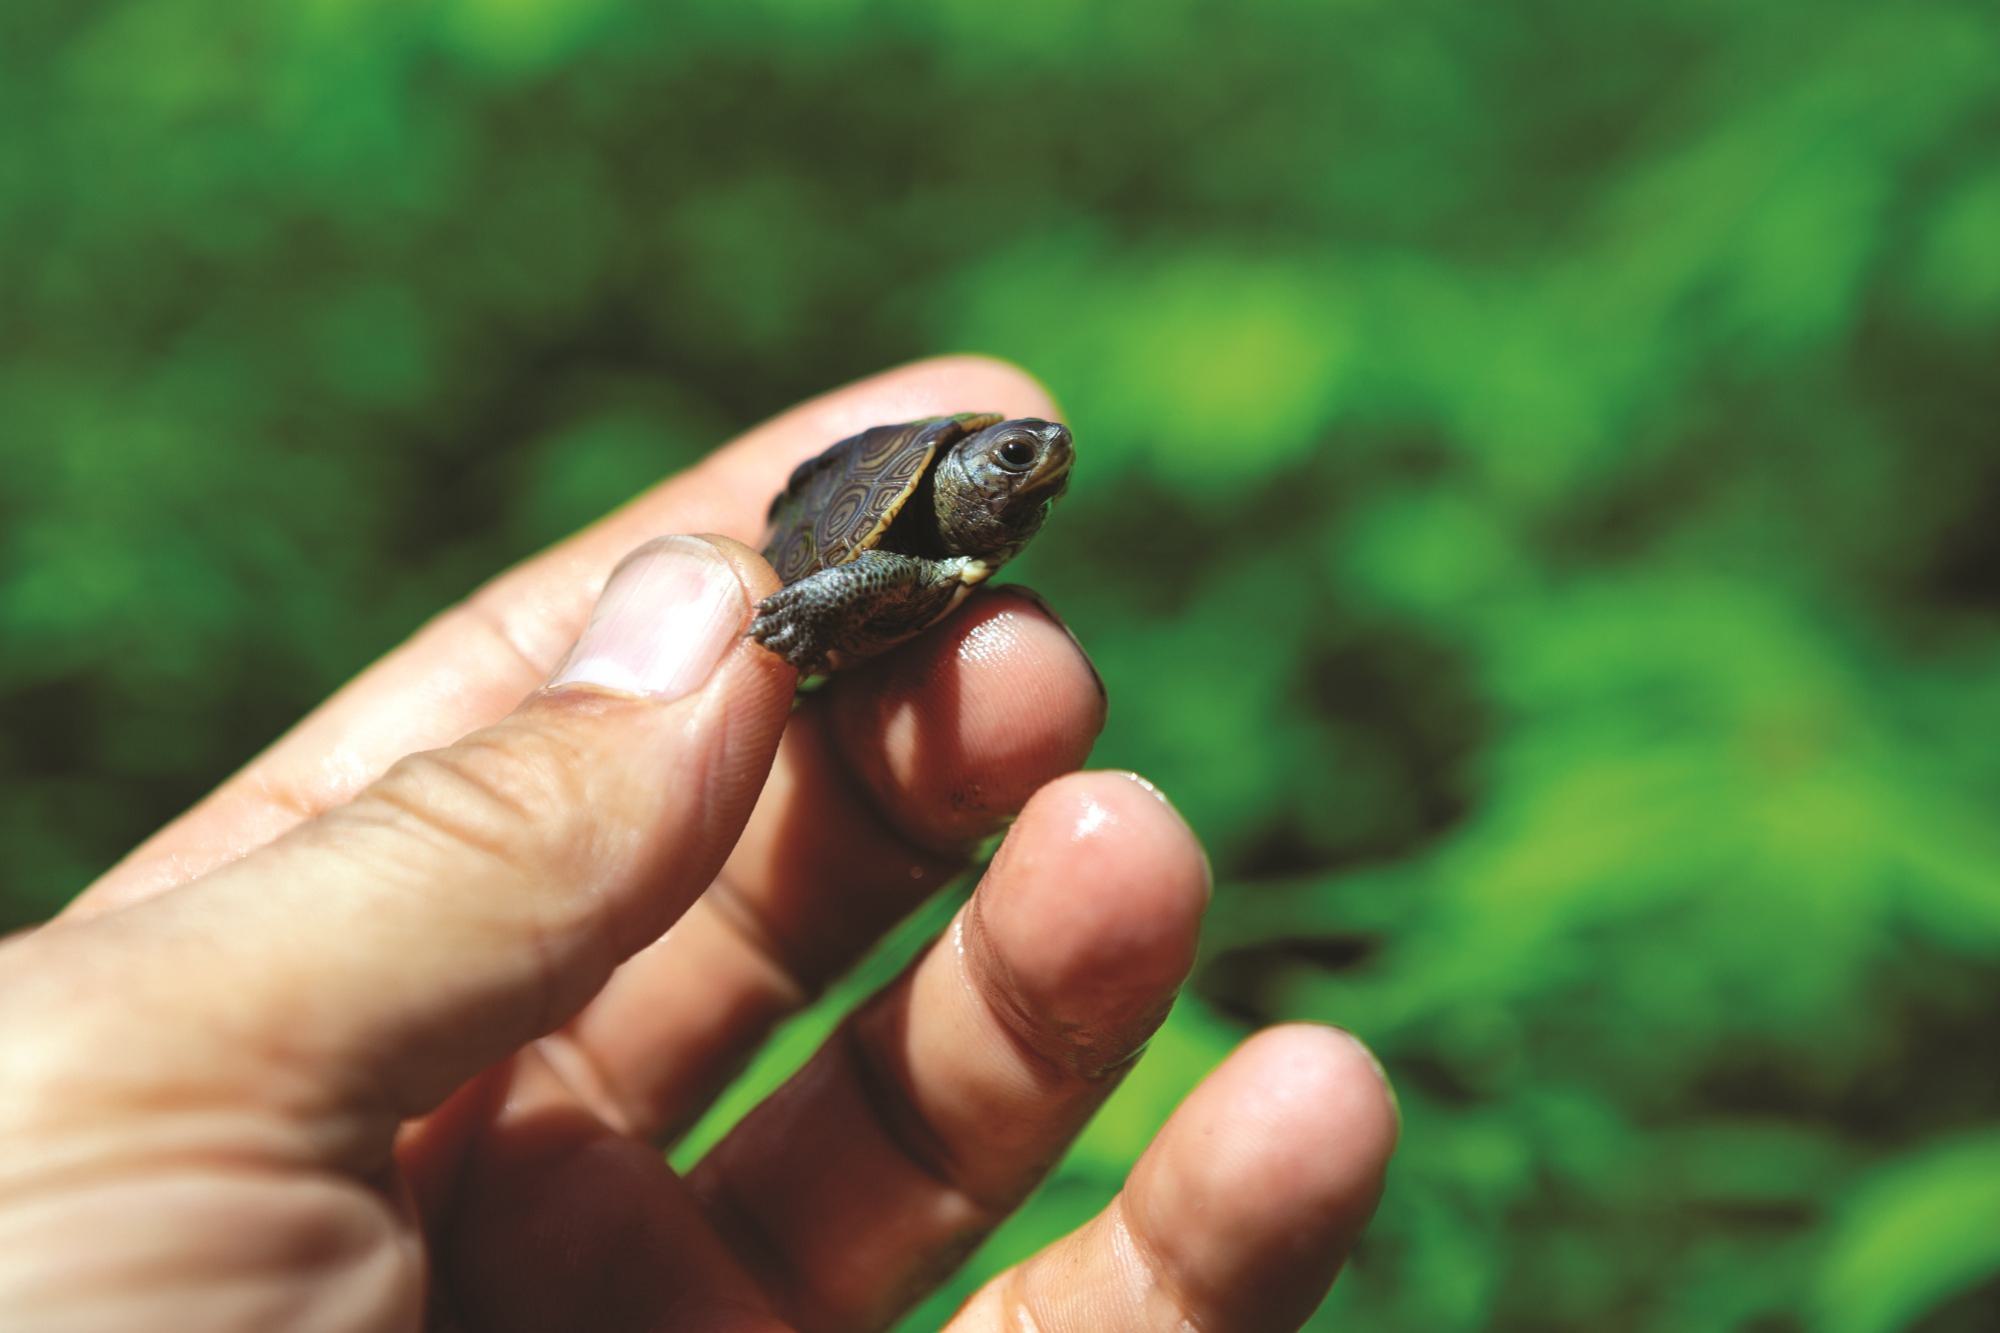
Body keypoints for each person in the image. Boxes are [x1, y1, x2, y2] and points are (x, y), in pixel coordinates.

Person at [0, 359, 1398, 1331]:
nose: (1036, 466)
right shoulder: (895, 554)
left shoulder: (972, 549)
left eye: (1032, 466)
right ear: (958, 482)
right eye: (1011, 460)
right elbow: (858, 576)